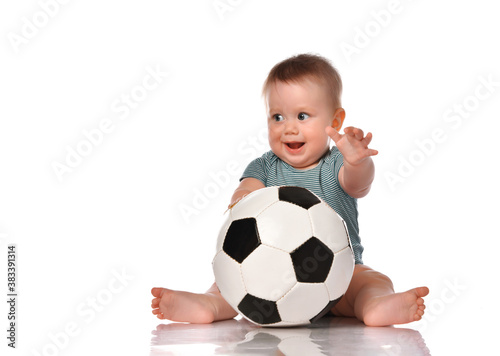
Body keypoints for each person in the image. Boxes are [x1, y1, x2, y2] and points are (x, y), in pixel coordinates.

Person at [151, 53, 429, 326]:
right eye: (277, 117)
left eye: (302, 115)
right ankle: (208, 303)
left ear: (334, 122)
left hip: (342, 275)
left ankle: (376, 304)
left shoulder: (335, 164)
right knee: (231, 280)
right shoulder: (264, 166)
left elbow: (358, 184)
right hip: (270, 282)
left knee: (372, 281)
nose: (289, 128)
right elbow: (248, 189)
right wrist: (241, 199)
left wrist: (358, 162)